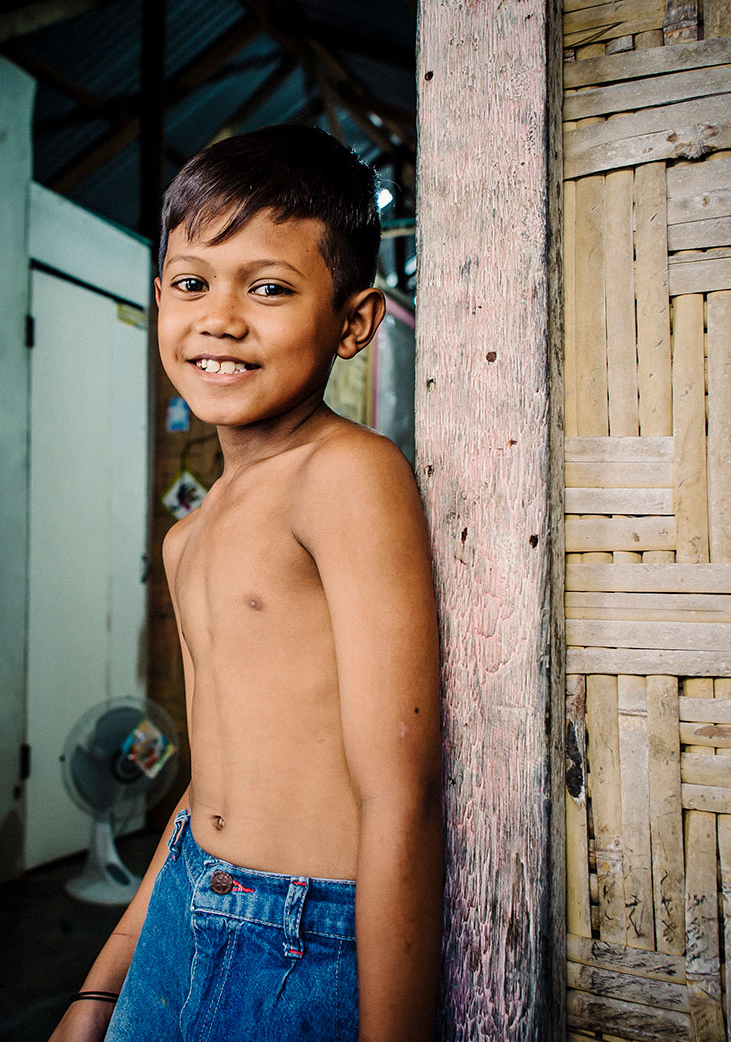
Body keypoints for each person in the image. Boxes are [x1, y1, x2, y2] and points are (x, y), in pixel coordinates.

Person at [49, 124, 442, 1042]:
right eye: (191, 284)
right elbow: (201, 793)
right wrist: (97, 990)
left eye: (268, 288)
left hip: (303, 941)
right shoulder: (189, 537)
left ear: (353, 321)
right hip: (183, 912)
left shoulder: (346, 476)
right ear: (159, 301)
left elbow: (402, 795)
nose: (219, 318)